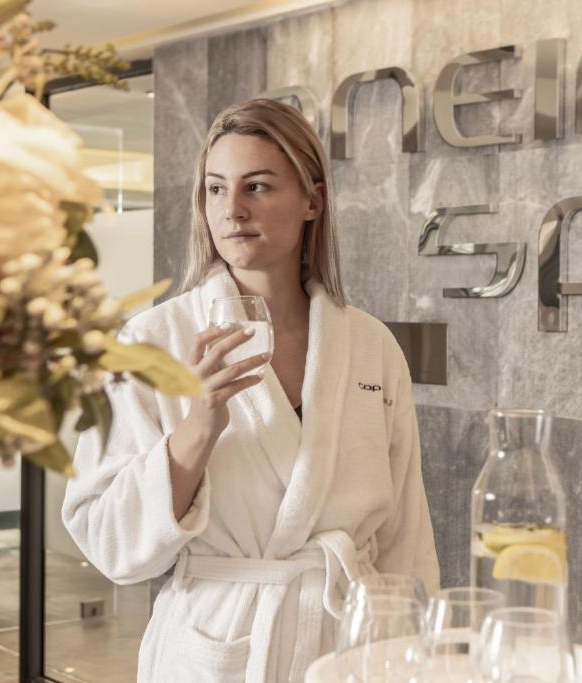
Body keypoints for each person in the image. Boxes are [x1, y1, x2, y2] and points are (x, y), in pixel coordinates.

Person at [62, 99, 439, 683]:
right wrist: (198, 429)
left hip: (347, 642)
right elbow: (109, 541)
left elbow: (405, 535)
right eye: (215, 189)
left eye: (257, 187)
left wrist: (415, 657)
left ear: (312, 201)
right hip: (218, 642)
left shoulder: (371, 346)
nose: (231, 209)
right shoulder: (151, 341)